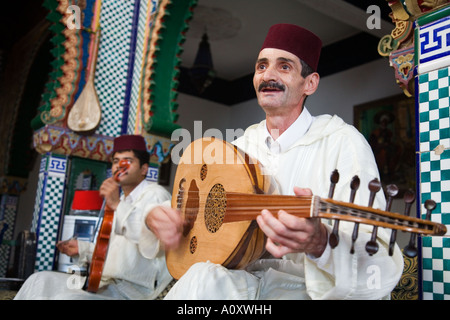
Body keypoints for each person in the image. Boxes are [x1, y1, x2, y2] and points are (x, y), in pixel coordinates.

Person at [145, 24, 404, 300]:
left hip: (306, 290)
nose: (267, 75)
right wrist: (155, 218)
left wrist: (321, 243)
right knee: (201, 280)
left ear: (310, 83)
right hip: (240, 286)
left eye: (284, 67)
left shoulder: (342, 142)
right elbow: (186, 203)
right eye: (261, 66)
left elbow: (377, 255)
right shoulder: (241, 148)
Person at [15, 134, 172, 300]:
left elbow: (146, 239)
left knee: (67, 299)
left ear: (144, 169)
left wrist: (117, 204)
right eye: (116, 161)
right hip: (105, 284)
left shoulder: (155, 195)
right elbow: (117, 255)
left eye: (128, 161)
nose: (120, 166)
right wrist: (83, 249)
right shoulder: (123, 200)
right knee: (39, 280)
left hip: (132, 291)